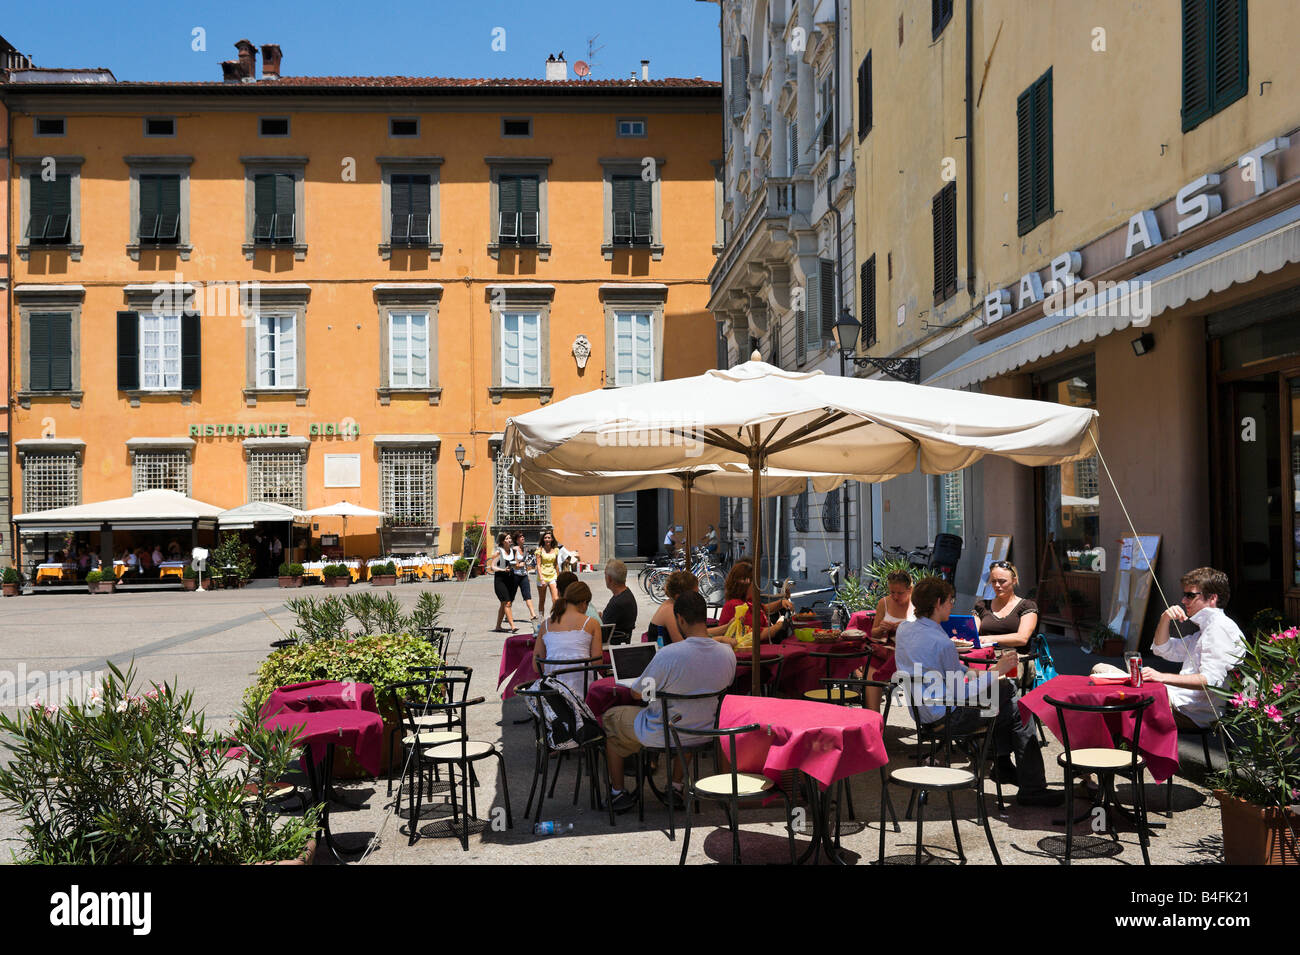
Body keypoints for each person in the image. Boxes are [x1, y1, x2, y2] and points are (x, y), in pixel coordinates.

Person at [894, 577, 1061, 806]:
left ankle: (1005, 766)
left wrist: (982, 673)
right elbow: (961, 694)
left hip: (920, 710)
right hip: (946, 715)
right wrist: (997, 671)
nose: (952, 605)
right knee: (1016, 703)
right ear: (938, 603)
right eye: (950, 600)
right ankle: (1024, 782)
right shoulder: (941, 641)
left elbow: (941, 669)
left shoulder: (904, 629)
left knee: (1010, 703)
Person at [603, 590, 738, 812]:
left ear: (681, 620)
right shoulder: (727, 654)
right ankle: (675, 785)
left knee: (611, 719)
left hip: (664, 730)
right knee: (687, 716)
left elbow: (638, 695)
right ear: (704, 617)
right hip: (704, 729)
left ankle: (617, 793)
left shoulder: (669, 654)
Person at [1143, 566, 1247, 729]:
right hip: (1179, 702)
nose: (1184, 601)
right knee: (1103, 671)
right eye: (1185, 595)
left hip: (1190, 713)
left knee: (1121, 700)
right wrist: (1165, 618)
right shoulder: (1206, 629)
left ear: (1212, 598)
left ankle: (1125, 752)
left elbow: (1209, 681)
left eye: (1190, 595)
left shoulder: (1220, 628)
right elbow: (1163, 648)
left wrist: (1160, 677)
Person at [533, 581, 603, 701]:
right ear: (584, 603)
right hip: (584, 691)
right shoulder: (591, 623)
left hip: (553, 693)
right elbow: (597, 664)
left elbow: (536, 665)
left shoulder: (546, 625)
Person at [865, 570, 914, 711]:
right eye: (892, 592)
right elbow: (874, 633)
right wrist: (882, 628)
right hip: (887, 649)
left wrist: (903, 628)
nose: (895, 596)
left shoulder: (916, 604)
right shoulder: (884, 603)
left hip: (909, 652)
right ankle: (874, 716)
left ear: (909, 590)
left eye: (899, 593)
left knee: (874, 664)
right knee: (871, 664)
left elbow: (923, 631)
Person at [709, 560, 791, 645]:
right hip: (748, 653)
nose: (757, 585)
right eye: (754, 581)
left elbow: (763, 609)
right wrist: (780, 624)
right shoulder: (736, 606)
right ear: (745, 584)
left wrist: (781, 603)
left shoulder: (747, 601)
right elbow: (758, 634)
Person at [972, 561, 1039, 649]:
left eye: (1002, 581)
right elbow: (972, 634)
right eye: (993, 581)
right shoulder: (982, 606)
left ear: (1014, 581)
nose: (997, 585)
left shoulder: (1027, 606)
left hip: (1016, 658)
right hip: (985, 658)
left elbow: (1022, 638)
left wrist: (989, 639)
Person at [646, 571, 698, 645]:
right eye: (694, 594)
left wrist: (720, 630)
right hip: (661, 653)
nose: (696, 598)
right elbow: (680, 644)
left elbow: (697, 632)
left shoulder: (676, 604)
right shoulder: (669, 610)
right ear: (678, 596)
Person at [600, 559, 637, 640]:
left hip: (612, 646)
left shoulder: (618, 603)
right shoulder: (626, 594)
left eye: (605, 575)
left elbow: (603, 629)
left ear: (609, 578)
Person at [491, 533, 519, 633]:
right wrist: (503, 570)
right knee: (507, 602)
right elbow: (493, 567)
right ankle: (512, 626)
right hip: (500, 580)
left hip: (511, 580)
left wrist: (517, 566)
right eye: (507, 538)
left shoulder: (513, 551)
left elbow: (516, 564)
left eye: (510, 538)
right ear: (503, 541)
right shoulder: (498, 552)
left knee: (504, 603)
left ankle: (498, 626)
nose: (509, 540)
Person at [512, 531, 538, 622]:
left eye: (523, 536)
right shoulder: (514, 549)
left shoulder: (525, 549)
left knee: (527, 595)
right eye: (520, 537)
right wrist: (520, 565)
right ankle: (506, 613)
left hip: (523, 576)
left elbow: (526, 564)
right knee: (511, 596)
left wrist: (527, 575)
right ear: (517, 540)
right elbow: (514, 565)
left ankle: (533, 614)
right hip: (515, 575)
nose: (523, 538)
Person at [535, 529, 562, 618]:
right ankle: (540, 619)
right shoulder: (539, 550)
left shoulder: (556, 550)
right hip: (542, 576)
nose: (547, 539)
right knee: (542, 600)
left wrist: (559, 577)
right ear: (543, 539)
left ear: (552, 539)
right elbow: (538, 565)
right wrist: (541, 578)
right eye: (545, 538)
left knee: (556, 599)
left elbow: (556, 564)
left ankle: (556, 617)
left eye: (549, 538)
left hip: (552, 576)